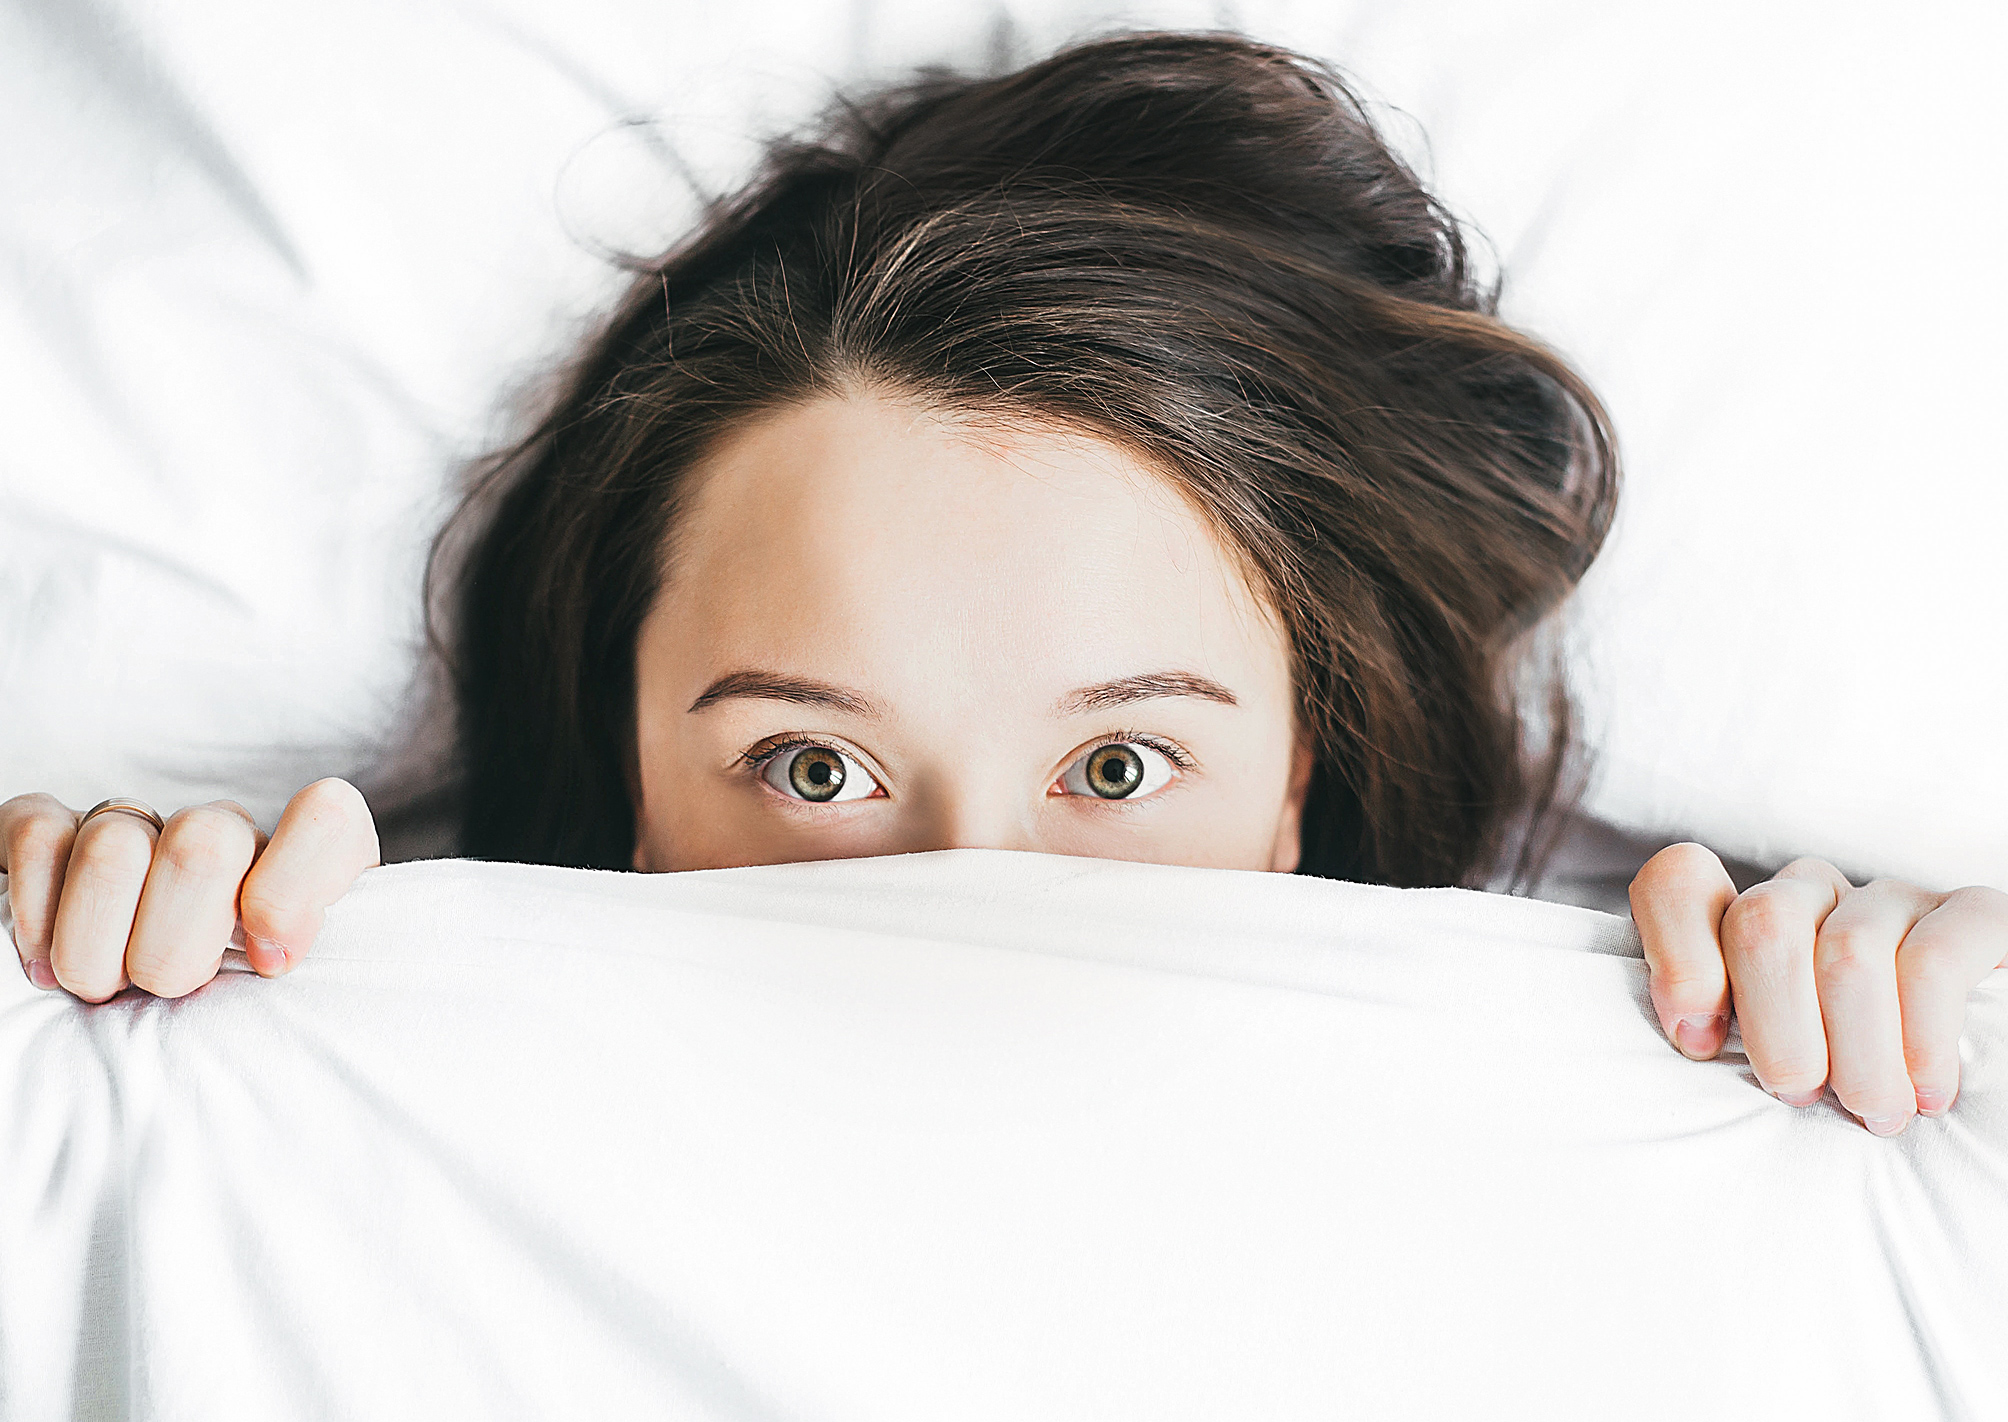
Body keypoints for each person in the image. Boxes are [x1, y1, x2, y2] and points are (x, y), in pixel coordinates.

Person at [2, 32, 2002, 1137]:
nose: (968, 908)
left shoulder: (1635, 1102)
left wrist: (1918, 1035)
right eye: (811, 767)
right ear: (625, 779)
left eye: (1118, 767)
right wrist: (112, 978)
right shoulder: (342, 1099)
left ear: (1304, 777)